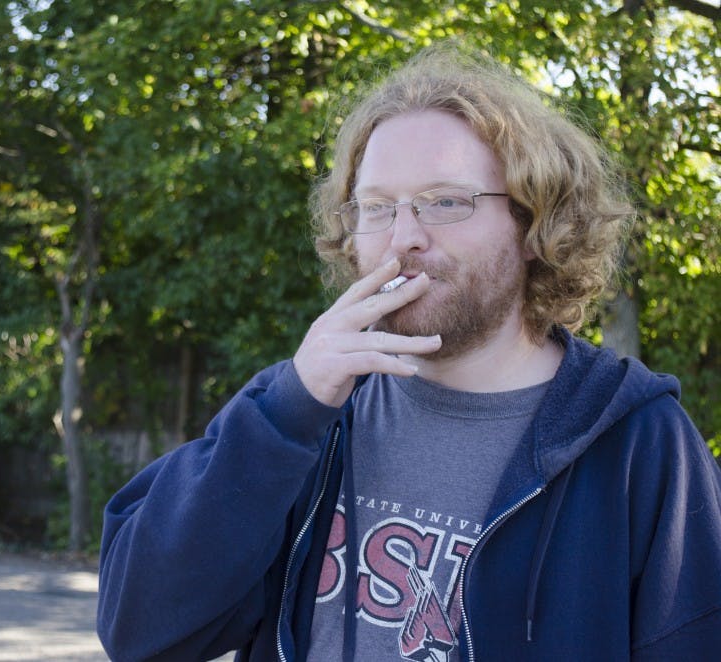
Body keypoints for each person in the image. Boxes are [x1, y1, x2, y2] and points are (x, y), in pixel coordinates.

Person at [96, 44, 721, 662]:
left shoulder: (640, 442)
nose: (404, 238)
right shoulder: (304, 413)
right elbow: (140, 631)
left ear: (535, 226)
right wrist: (287, 414)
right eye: (376, 208)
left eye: (446, 201)